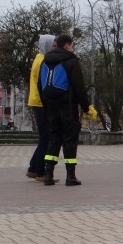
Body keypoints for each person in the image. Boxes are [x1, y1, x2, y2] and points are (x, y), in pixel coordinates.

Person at [40, 34, 97, 186]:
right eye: (72, 45)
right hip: (68, 105)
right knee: (69, 139)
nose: (73, 48)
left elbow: (41, 87)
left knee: (53, 138)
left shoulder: (45, 60)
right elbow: (79, 87)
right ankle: (70, 176)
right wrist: (86, 107)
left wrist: (46, 105)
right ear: (67, 45)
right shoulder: (71, 61)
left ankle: (48, 175)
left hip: (51, 106)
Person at [26, 34, 55, 182]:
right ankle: (40, 172)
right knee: (46, 138)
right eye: (53, 45)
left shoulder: (38, 58)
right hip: (41, 103)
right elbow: (43, 84)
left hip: (36, 101)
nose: (54, 48)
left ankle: (33, 168)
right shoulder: (43, 60)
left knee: (44, 137)